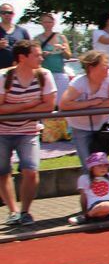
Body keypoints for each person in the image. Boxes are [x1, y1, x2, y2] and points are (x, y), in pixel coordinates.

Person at [0, 40, 56, 226]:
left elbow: (48, 105)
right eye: (37, 55)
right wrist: (30, 105)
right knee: (2, 172)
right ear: (22, 57)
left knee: (30, 170)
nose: (41, 58)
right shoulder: (3, 76)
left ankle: (25, 211)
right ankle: (13, 211)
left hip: (29, 130)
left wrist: (13, 108)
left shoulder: (44, 75)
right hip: (2, 131)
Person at [60, 50, 109, 167]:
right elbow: (64, 104)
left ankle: (104, 184)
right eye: (104, 65)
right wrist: (90, 103)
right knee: (89, 166)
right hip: (80, 128)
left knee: (101, 166)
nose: (108, 67)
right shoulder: (78, 83)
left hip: (102, 126)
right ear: (91, 67)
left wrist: (85, 106)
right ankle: (90, 184)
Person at [34, 12, 73, 101]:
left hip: (60, 73)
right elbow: (34, 57)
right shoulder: (37, 39)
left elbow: (68, 56)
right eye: (45, 22)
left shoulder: (61, 37)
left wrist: (62, 49)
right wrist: (42, 54)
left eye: (49, 22)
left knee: (62, 101)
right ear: (42, 23)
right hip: (44, 73)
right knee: (46, 101)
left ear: (53, 23)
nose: (47, 24)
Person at [0, 3, 31, 69]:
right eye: (3, 12)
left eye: (9, 12)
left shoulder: (22, 31)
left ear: (13, 14)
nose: (6, 15)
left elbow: (30, 50)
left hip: (18, 71)